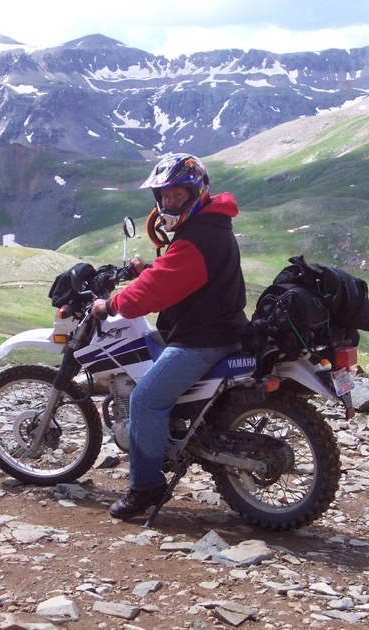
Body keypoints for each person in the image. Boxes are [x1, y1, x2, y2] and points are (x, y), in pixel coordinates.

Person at [90, 153, 248, 520]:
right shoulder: (212, 226)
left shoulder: (198, 238)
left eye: (176, 195)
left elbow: (152, 294)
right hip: (221, 327)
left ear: (196, 192)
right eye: (163, 196)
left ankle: (145, 487)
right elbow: (179, 276)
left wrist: (111, 304)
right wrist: (149, 268)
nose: (168, 203)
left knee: (146, 400)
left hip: (202, 339)